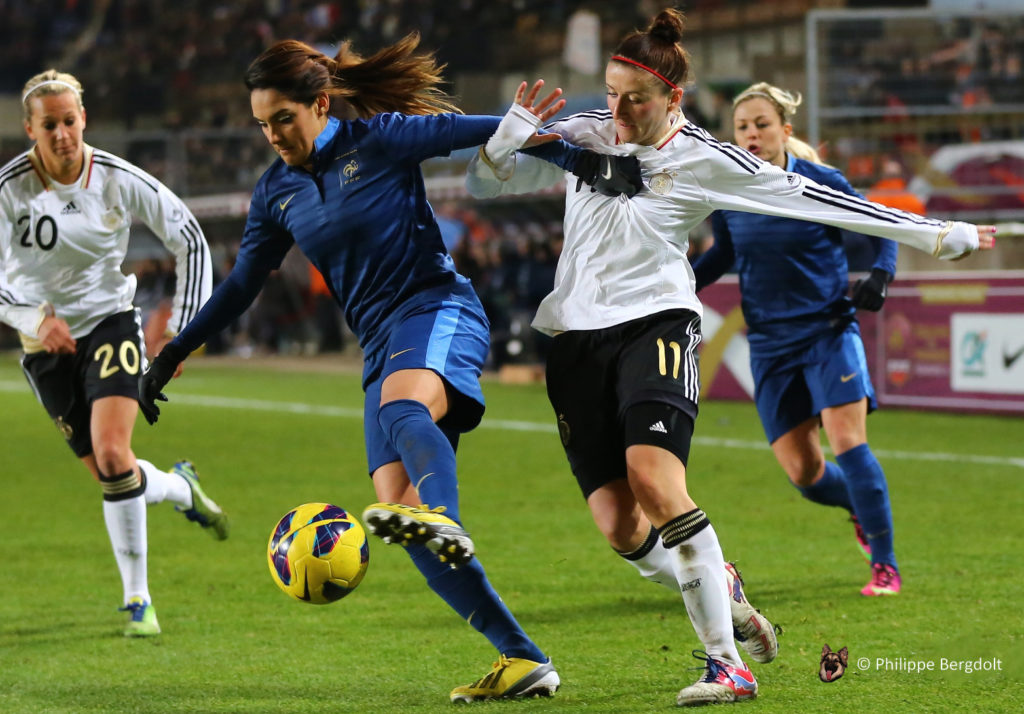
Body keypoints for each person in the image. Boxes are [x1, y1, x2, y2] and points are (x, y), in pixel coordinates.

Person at [466, 8, 995, 707]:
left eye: (636, 99)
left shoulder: (706, 158)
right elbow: (484, 186)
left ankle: (727, 665)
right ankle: (723, 584)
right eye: (613, 94)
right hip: (574, 339)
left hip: (656, 324)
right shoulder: (585, 132)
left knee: (656, 481)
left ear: (673, 99)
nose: (619, 112)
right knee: (620, 527)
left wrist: (934, 234)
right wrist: (502, 145)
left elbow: (814, 198)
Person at [138, 35, 638, 703]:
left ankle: (444, 513)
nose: (273, 135)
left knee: (405, 419)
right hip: (380, 345)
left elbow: (497, 130)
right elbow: (240, 287)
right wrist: (173, 351)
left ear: (321, 104)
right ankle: (522, 658)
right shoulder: (275, 192)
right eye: (262, 124)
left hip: (438, 307)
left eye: (283, 118)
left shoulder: (380, 139)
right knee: (400, 513)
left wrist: (589, 164)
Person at [0, 70, 227, 638]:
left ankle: (138, 600)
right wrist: (34, 319)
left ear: (84, 120)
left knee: (110, 451)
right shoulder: (9, 189)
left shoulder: (116, 178)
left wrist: (183, 329)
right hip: (43, 345)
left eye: (69, 121)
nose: (61, 134)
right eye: (48, 125)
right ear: (29, 129)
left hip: (109, 324)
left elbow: (190, 238)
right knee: (112, 472)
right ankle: (180, 487)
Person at [692, 82, 911, 598]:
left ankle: (885, 566)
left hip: (827, 330)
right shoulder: (729, 189)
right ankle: (860, 506)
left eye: (761, 124)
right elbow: (724, 254)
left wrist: (881, 273)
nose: (751, 134)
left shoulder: (819, 181)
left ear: (785, 130)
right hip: (770, 343)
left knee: (848, 443)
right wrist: (677, 285)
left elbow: (881, 226)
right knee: (805, 474)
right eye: (742, 127)